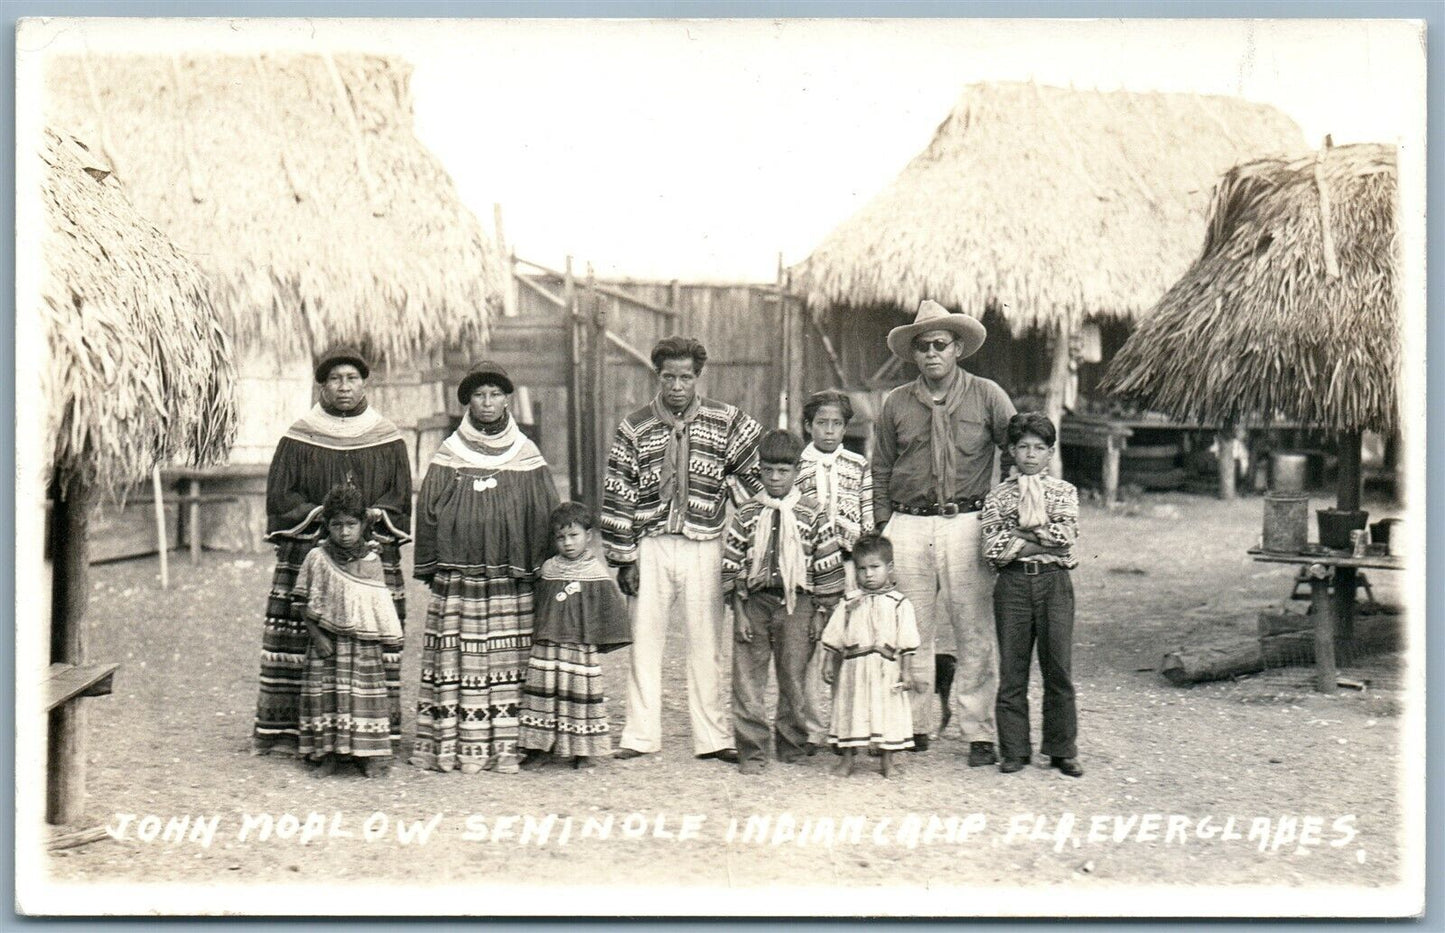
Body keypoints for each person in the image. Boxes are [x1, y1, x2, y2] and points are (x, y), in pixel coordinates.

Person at [601, 336, 762, 763]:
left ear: (698, 377)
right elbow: (619, 492)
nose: (677, 385)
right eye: (669, 376)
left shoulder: (726, 421)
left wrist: (749, 545)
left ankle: (711, 737)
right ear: (657, 375)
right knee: (645, 642)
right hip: (651, 545)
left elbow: (753, 483)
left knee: (706, 644)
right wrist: (624, 557)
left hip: (704, 545)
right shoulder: (634, 427)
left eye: (685, 377)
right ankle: (639, 735)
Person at [871, 299, 1016, 764]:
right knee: (911, 628)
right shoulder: (895, 402)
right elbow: (880, 467)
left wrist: (1004, 511)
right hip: (909, 523)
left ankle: (978, 731)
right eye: (923, 347)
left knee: (974, 629)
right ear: (913, 355)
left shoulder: (988, 395)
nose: (932, 353)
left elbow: (1017, 447)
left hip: (967, 522)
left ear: (957, 349)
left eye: (941, 344)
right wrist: (880, 526)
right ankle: (913, 724)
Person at [253, 346, 412, 757]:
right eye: (336, 379)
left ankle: (372, 728)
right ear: (323, 385)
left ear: (364, 383)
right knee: (303, 631)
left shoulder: (387, 436)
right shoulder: (300, 435)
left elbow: (399, 496)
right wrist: (322, 515)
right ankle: (291, 731)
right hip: (311, 552)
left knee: (368, 636)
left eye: (352, 379)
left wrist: (375, 515)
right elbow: (281, 496)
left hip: (370, 552)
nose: (344, 387)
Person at [411, 361, 560, 774]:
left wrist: (544, 562)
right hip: (461, 582)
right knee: (460, 653)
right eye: (480, 395)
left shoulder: (526, 453)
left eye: (495, 394)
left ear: (507, 399)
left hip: (510, 581)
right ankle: (454, 742)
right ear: (468, 403)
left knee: (508, 655)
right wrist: (432, 563)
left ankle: (510, 742)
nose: (488, 402)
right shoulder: (450, 451)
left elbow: (545, 508)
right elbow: (428, 511)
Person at [720, 430, 846, 774]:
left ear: (796, 472)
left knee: (793, 676)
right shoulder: (746, 513)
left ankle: (791, 744)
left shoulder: (812, 513)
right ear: (759, 471)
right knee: (747, 679)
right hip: (755, 604)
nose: (775, 479)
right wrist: (740, 612)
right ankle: (752, 750)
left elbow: (827, 563)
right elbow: (732, 564)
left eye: (783, 471)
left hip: (798, 605)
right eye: (768, 471)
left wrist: (821, 612)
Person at [980, 412, 1083, 778]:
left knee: (1058, 668)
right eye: (1023, 447)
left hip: (1054, 584)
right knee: (1012, 669)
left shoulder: (1064, 492)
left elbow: (1066, 536)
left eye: (1039, 448)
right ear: (1010, 450)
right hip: (1013, 586)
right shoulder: (998, 496)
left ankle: (1061, 750)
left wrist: (1018, 535)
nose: (1030, 455)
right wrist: (1039, 538)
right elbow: (993, 547)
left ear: (1051, 452)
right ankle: (1014, 750)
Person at [294, 483, 406, 778]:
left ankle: (365, 754)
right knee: (327, 697)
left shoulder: (372, 562)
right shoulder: (316, 559)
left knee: (363, 697)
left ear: (363, 524)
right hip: (327, 646)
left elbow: (378, 608)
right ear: (327, 526)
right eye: (337, 525)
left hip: (363, 648)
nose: (344, 532)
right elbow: (301, 601)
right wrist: (317, 636)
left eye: (351, 524)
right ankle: (328, 755)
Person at [518, 502, 633, 771]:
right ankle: (539, 748)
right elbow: (540, 604)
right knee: (543, 692)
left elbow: (609, 610)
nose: (568, 543)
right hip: (547, 645)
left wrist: (600, 636)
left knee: (577, 693)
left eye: (574, 535)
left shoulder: (595, 572)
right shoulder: (548, 569)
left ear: (588, 536)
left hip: (578, 648)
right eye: (561, 537)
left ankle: (581, 750)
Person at [794, 389, 873, 754]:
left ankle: (847, 728)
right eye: (821, 423)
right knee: (809, 648)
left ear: (846, 427)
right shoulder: (796, 466)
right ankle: (810, 728)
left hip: (846, 564)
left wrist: (863, 562)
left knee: (849, 644)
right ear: (808, 425)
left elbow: (868, 518)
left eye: (837, 424)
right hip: (807, 567)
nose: (829, 431)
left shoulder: (858, 465)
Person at [820, 534, 922, 779]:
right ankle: (847, 760)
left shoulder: (899, 603)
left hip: (885, 668)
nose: (868, 574)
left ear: (890, 568)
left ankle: (887, 762)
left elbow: (907, 640)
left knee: (886, 711)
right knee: (850, 709)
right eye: (861, 569)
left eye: (875, 567)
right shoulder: (849, 602)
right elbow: (835, 634)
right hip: (854, 666)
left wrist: (906, 671)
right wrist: (827, 662)